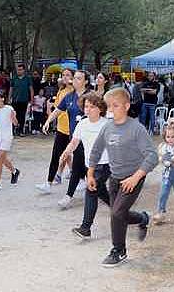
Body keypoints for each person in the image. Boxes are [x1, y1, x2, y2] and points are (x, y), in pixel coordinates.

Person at [87, 88, 158, 267]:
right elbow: (96, 150)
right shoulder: (107, 127)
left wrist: (135, 178)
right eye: (109, 106)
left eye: (115, 105)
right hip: (115, 179)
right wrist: (90, 173)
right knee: (120, 213)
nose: (111, 110)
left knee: (116, 213)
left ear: (126, 106)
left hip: (133, 178)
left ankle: (119, 250)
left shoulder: (136, 128)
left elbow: (152, 156)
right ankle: (142, 218)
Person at [60, 93, 110, 239]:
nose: (88, 109)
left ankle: (85, 228)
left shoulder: (107, 124)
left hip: (104, 165)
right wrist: (66, 152)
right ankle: (135, 216)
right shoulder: (82, 123)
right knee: (105, 196)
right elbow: (75, 142)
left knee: (91, 190)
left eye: (92, 107)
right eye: (86, 106)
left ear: (100, 108)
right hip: (90, 166)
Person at [42, 70, 91, 209]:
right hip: (74, 138)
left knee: (78, 166)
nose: (74, 81)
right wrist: (47, 121)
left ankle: (68, 196)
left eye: (79, 78)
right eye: (74, 78)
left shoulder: (90, 97)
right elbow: (58, 110)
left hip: (88, 139)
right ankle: (96, 189)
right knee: (82, 166)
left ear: (86, 81)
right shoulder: (69, 97)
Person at [36, 69, 74, 194]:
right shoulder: (61, 91)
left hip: (74, 131)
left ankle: (82, 180)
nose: (65, 77)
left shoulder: (76, 93)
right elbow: (57, 110)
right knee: (55, 156)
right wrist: (48, 120)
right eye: (63, 75)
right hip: (62, 129)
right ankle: (48, 182)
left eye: (68, 75)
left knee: (78, 157)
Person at [9, 64, 34, 136]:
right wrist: (9, 98)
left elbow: (31, 89)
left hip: (24, 100)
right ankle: (13, 130)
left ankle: (20, 131)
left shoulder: (27, 78)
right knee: (14, 115)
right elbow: (11, 89)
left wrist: (32, 99)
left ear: (23, 70)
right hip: (15, 100)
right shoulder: (14, 78)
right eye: (18, 70)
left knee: (22, 116)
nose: (19, 71)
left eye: (20, 70)